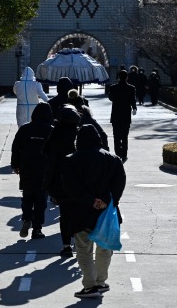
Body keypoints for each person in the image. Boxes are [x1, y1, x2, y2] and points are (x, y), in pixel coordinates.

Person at [61, 124, 126, 299]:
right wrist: (107, 201)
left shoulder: (70, 160)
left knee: (84, 249)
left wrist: (91, 201)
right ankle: (101, 281)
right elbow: (120, 183)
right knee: (104, 248)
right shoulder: (113, 159)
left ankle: (89, 286)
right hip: (107, 213)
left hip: (81, 212)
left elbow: (70, 187)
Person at [42, 104, 80, 258]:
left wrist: (49, 185)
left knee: (64, 215)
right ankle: (78, 243)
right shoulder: (79, 135)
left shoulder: (55, 134)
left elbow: (46, 155)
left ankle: (66, 246)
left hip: (61, 181)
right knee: (78, 213)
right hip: (79, 183)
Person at [11, 102, 53, 239]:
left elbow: (16, 147)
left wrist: (15, 164)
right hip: (44, 170)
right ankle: (37, 229)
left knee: (27, 196)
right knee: (41, 200)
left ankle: (27, 218)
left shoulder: (24, 129)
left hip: (27, 168)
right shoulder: (51, 130)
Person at [108, 70, 137, 162]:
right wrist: (134, 108)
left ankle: (118, 153)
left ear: (118, 77)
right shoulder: (131, 88)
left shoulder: (113, 87)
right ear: (127, 77)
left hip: (116, 114)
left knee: (116, 136)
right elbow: (133, 99)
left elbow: (110, 98)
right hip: (126, 115)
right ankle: (124, 154)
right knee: (125, 136)